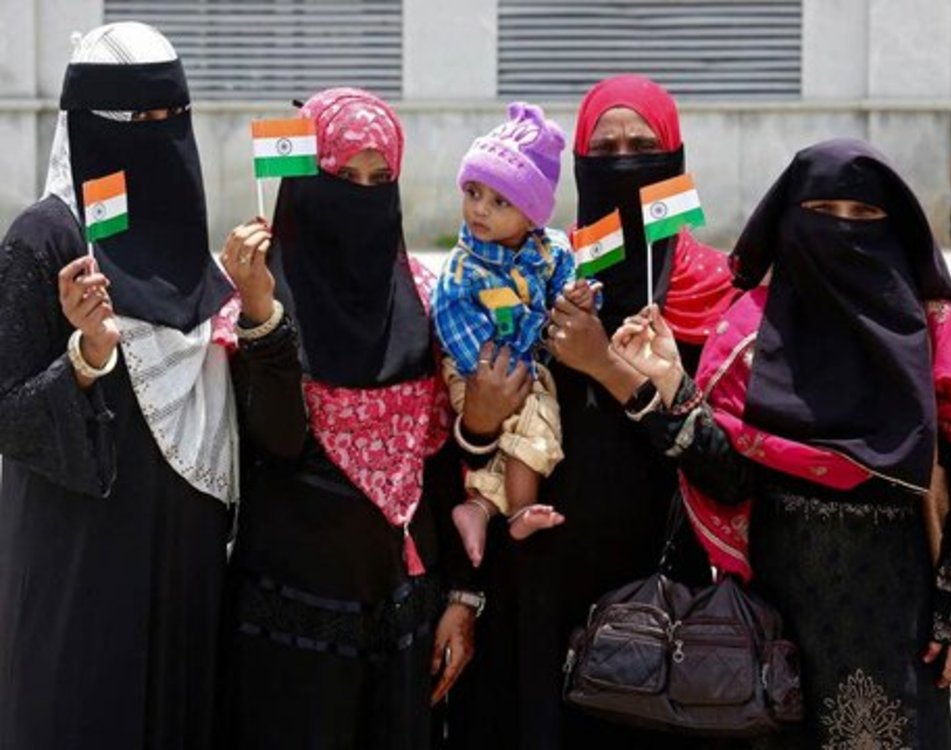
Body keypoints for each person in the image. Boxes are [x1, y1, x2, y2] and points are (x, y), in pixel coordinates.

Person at [611, 138, 951, 748]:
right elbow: (730, 479)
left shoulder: (934, 331)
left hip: (901, 618)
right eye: (823, 212)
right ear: (788, 220)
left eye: (864, 214)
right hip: (775, 617)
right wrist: (670, 386)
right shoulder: (748, 331)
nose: (842, 229)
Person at [448, 75, 740, 748]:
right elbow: (474, 431)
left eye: (643, 146)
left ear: (675, 160)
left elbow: (731, 469)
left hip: (663, 595)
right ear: (579, 162)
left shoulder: (717, 292)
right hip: (539, 576)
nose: (624, 160)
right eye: (605, 148)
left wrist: (608, 366)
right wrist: (481, 424)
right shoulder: (542, 273)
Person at [0, 22, 237, 749]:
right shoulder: (46, 240)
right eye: (138, 116)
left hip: (183, 560)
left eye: (171, 114)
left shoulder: (189, 243)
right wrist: (85, 355)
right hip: (82, 558)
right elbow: (8, 415)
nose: (158, 132)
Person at [220, 87, 478, 750]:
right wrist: (263, 317)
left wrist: (463, 597)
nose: (361, 196)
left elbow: (444, 466)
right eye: (343, 178)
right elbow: (278, 442)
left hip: (405, 617)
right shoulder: (258, 294)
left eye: (378, 179)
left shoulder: (424, 297)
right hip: (292, 620)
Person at [432, 102, 597, 567]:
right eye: (473, 192)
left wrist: (580, 298)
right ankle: (521, 509)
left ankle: (480, 508)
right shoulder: (464, 268)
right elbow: (456, 328)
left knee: (525, 430)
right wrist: (506, 381)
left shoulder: (550, 249)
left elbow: (567, 285)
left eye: (500, 201)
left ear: (531, 217)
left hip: (520, 367)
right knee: (537, 419)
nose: (480, 209)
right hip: (480, 371)